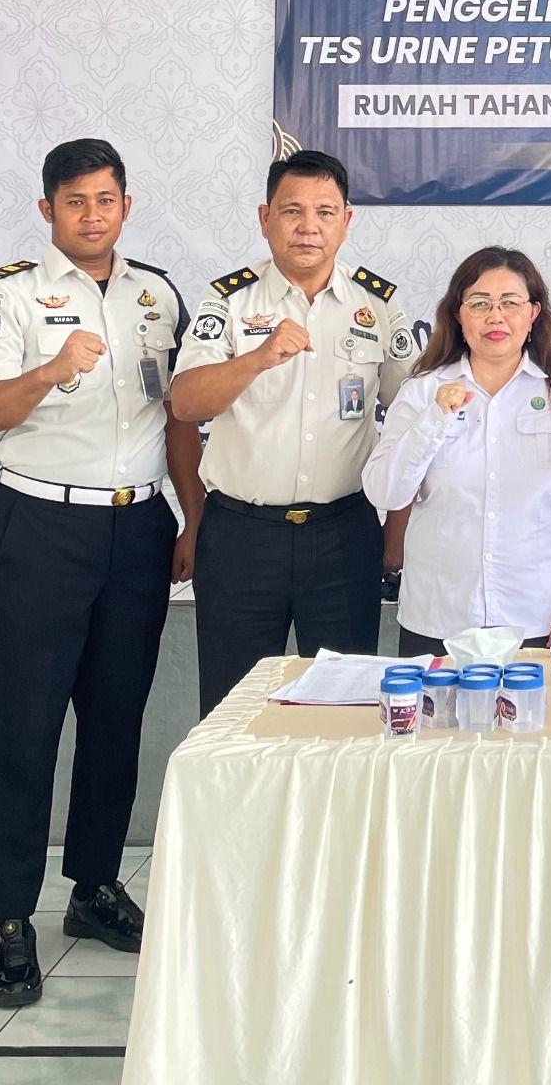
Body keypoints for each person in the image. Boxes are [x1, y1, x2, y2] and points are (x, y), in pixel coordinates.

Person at [0, 139, 193, 1009]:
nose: (92, 215)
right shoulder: (8, 294)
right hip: (45, 524)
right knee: (25, 724)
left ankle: (93, 887)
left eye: (105, 200)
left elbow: (176, 413)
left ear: (126, 204)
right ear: (47, 210)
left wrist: (191, 517)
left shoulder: (157, 294)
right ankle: (8, 916)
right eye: (74, 201)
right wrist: (52, 370)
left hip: (139, 525)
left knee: (114, 719)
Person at [168, 149, 412, 714]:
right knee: (233, 713)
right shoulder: (229, 299)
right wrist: (255, 358)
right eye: (292, 211)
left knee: (344, 714)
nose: (308, 227)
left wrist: (397, 532)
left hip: (344, 536)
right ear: (265, 218)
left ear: (346, 221)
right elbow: (185, 402)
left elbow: (412, 423)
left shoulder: (377, 304)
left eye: (325, 212)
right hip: (241, 539)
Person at [362, 249, 551, 650]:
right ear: (458, 315)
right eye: (479, 303)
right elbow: (385, 493)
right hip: (437, 615)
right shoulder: (423, 390)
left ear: (533, 314)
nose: (495, 317)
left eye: (510, 303)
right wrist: (435, 419)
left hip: (533, 615)